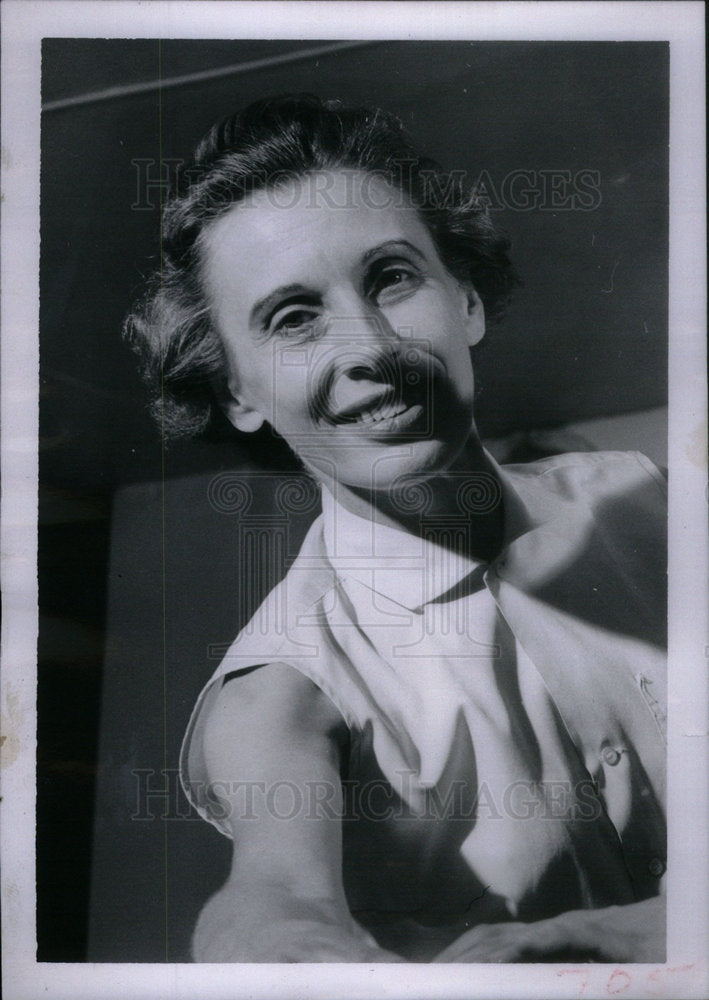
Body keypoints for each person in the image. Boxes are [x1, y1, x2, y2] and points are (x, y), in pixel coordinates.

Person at [125, 94, 667, 963]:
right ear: (236, 391)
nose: (370, 349)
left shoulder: (656, 502)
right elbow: (271, 901)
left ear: (467, 303)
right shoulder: (279, 691)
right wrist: (291, 954)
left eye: (392, 278)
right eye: (292, 319)